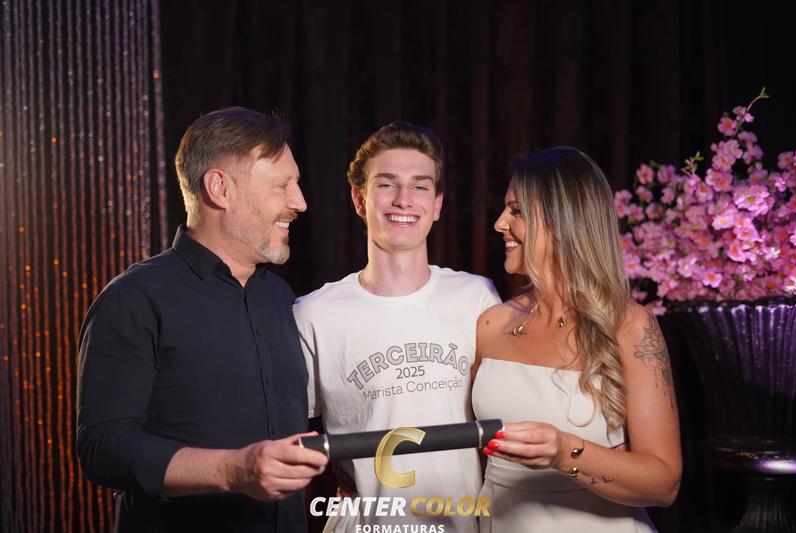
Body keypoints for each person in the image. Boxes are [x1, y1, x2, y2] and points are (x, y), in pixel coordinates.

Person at [76, 107, 328, 532]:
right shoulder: (134, 298)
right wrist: (234, 470)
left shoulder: (281, 298)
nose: (299, 202)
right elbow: (103, 447)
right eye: (282, 185)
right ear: (219, 188)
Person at [293, 122, 500, 531]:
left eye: (420, 186)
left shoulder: (476, 297)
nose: (403, 199)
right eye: (387, 184)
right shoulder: (314, 314)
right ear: (360, 198)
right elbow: (279, 435)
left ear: (437, 205)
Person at [472, 147, 681, 532]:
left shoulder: (630, 325)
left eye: (516, 211)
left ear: (561, 221)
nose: (499, 223)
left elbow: (664, 483)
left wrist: (564, 451)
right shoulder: (491, 324)